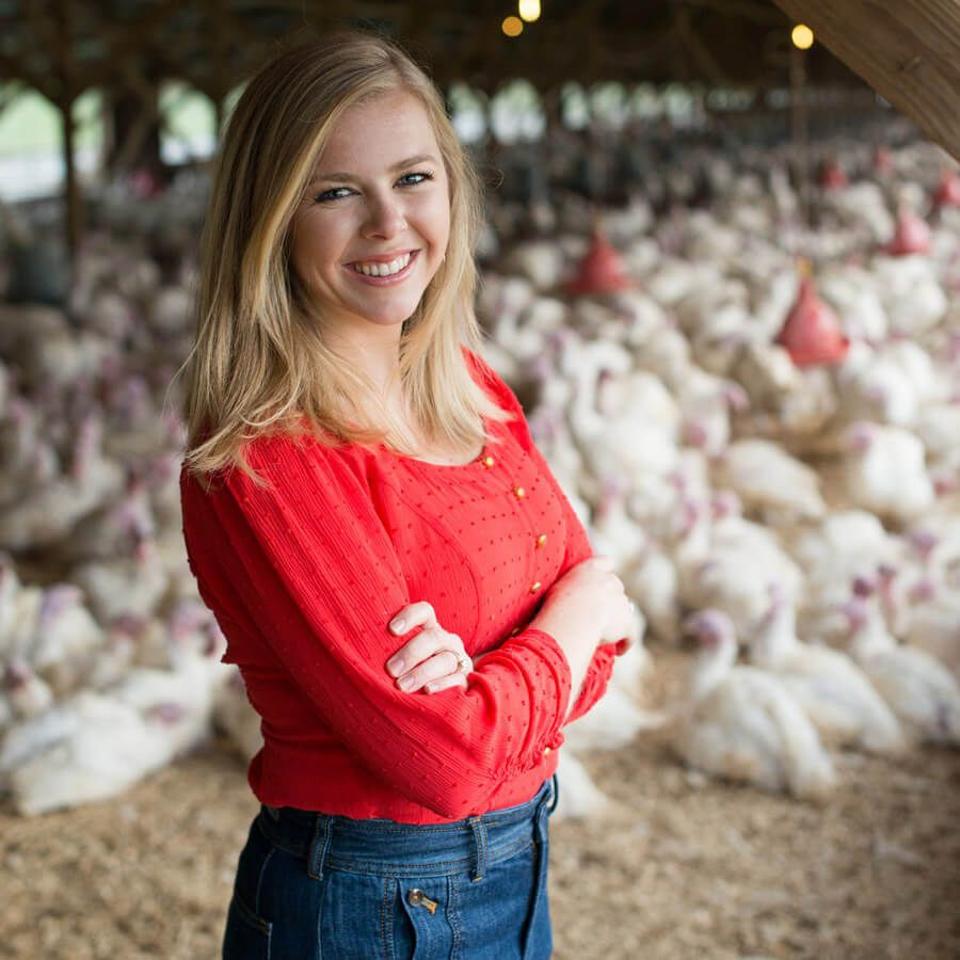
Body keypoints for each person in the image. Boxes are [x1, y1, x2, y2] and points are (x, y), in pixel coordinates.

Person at [178, 30, 638, 960]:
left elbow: (607, 634)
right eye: (335, 192)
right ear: (270, 218)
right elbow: (448, 763)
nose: (389, 224)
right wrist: (564, 622)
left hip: (518, 862)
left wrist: (499, 668)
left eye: (414, 178)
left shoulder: (468, 385)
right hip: (367, 903)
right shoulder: (270, 458)